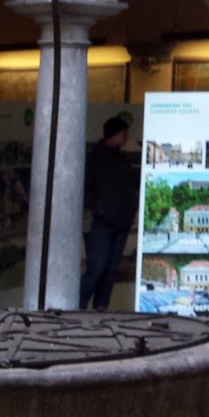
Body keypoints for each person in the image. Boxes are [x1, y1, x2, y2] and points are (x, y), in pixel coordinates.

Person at [79, 115, 139, 311]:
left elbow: (129, 187)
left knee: (110, 271)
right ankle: (77, 307)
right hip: (101, 224)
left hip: (120, 223)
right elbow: (84, 189)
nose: (126, 138)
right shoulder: (95, 158)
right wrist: (100, 208)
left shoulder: (121, 160)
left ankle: (100, 308)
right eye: (123, 134)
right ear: (113, 135)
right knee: (97, 269)